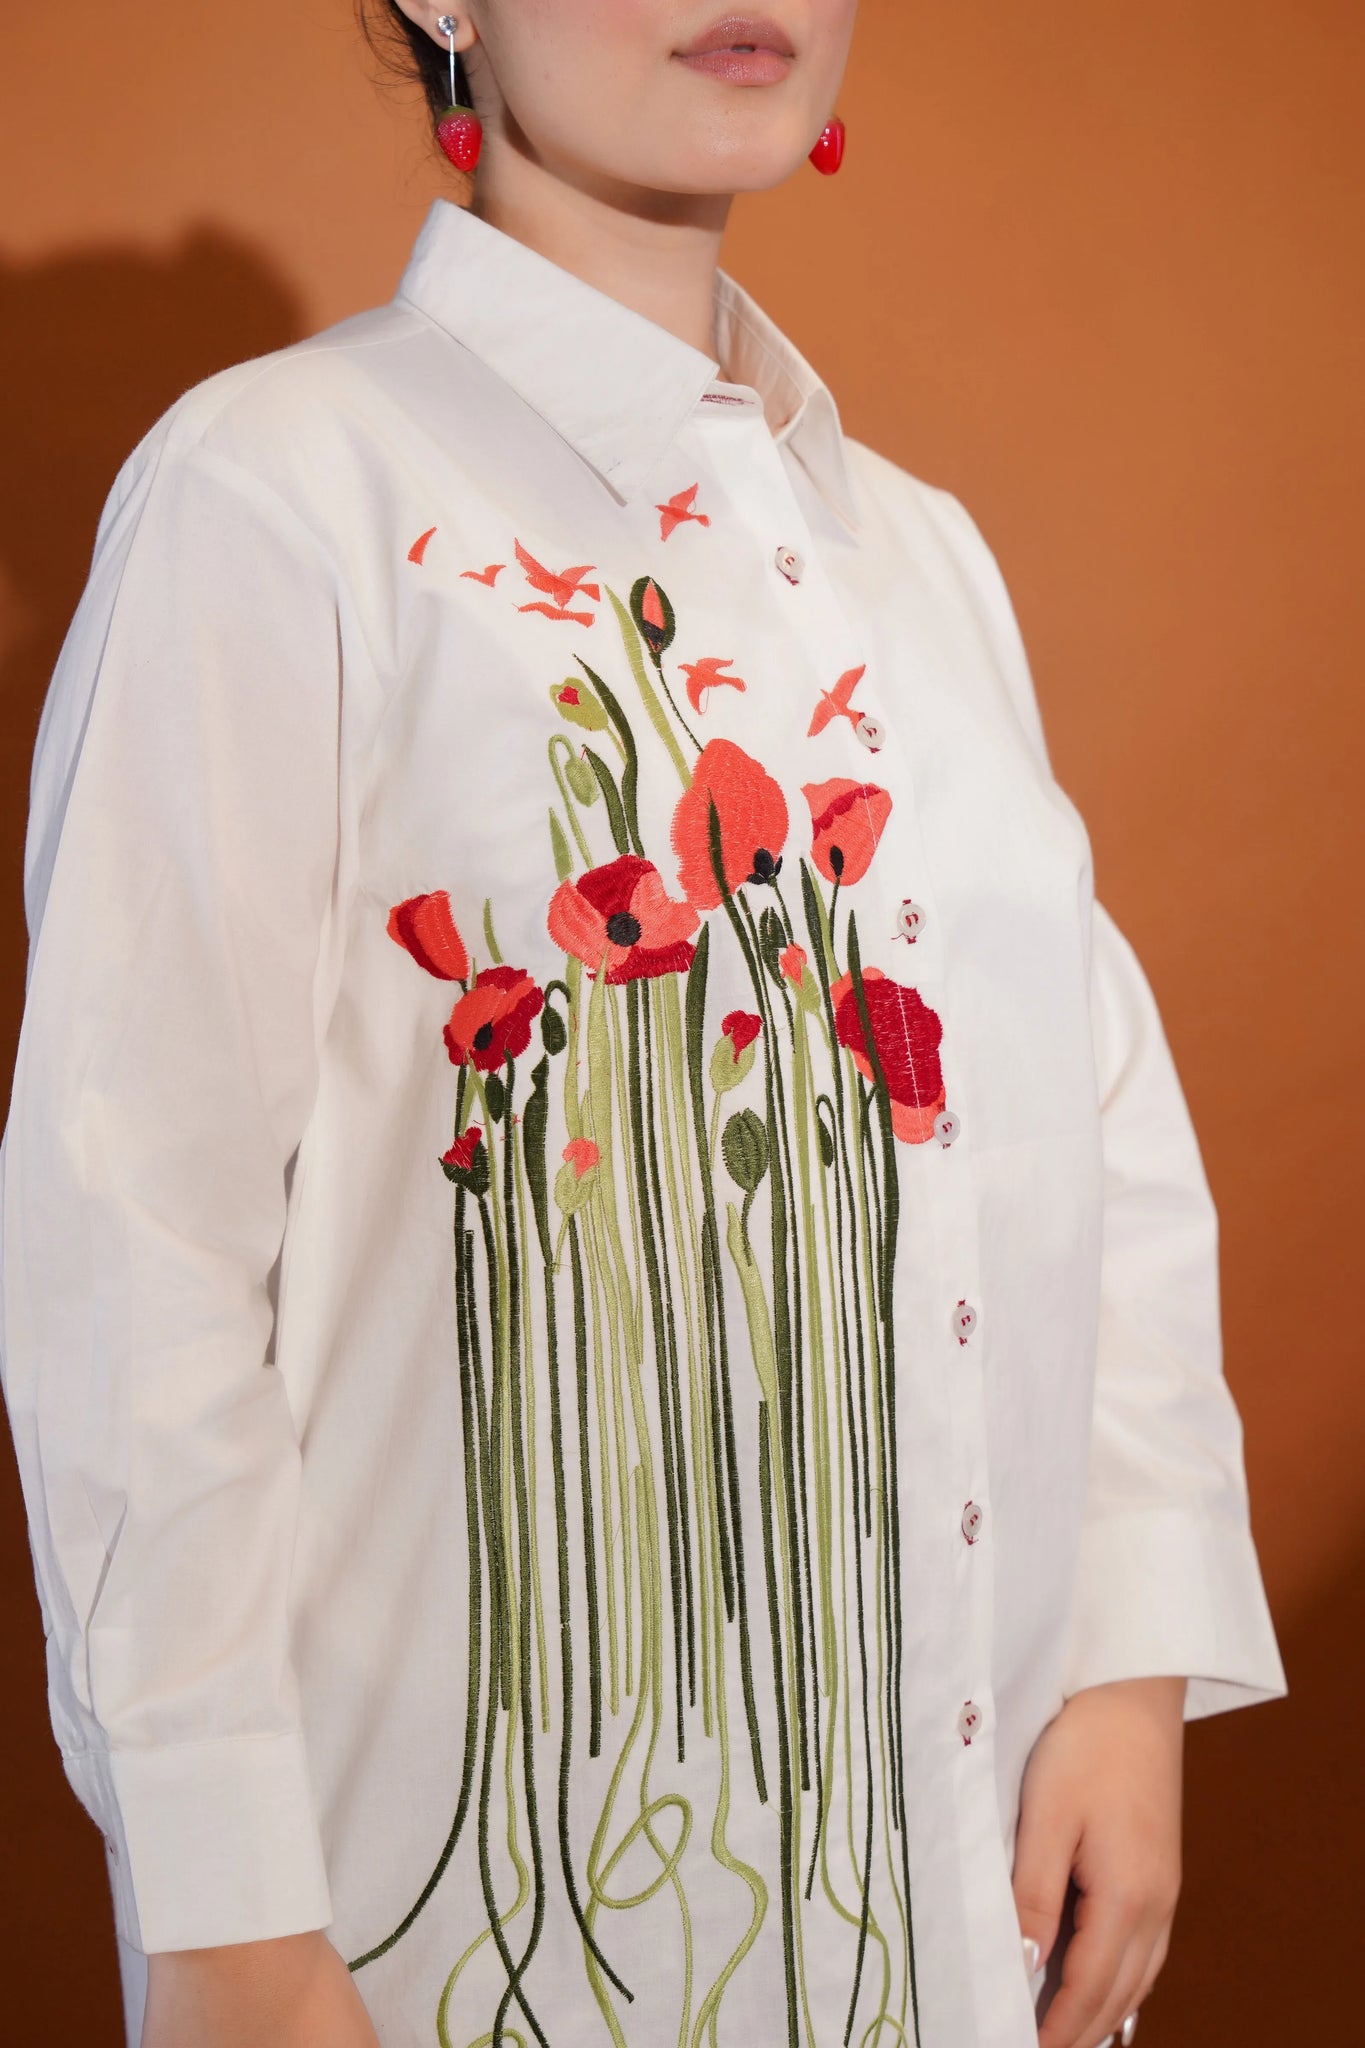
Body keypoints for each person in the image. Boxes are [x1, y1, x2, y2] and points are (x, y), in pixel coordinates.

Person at [0, 5, 1287, 2046]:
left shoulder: (917, 556)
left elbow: (1090, 1124)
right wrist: (222, 1899)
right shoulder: (277, 494)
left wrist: (1125, 1660)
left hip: (968, 1905)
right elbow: (128, 1236)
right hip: (454, 1925)